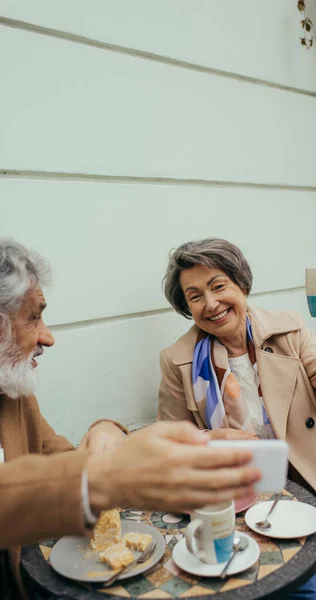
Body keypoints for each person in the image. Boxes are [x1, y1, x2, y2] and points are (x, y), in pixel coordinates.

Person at [0, 238, 260, 600]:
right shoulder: (176, 359)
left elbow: (59, 460)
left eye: (219, 286)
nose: (48, 337)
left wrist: (106, 428)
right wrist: (105, 477)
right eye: (34, 316)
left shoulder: (12, 393)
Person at [158, 238, 316, 600]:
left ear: (242, 283)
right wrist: (212, 441)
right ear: (186, 307)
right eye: (194, 296)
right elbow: (169, 454)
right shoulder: (179, 360)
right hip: (246, 512)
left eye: (218, 286)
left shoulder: (290, 332)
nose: (210, 304)